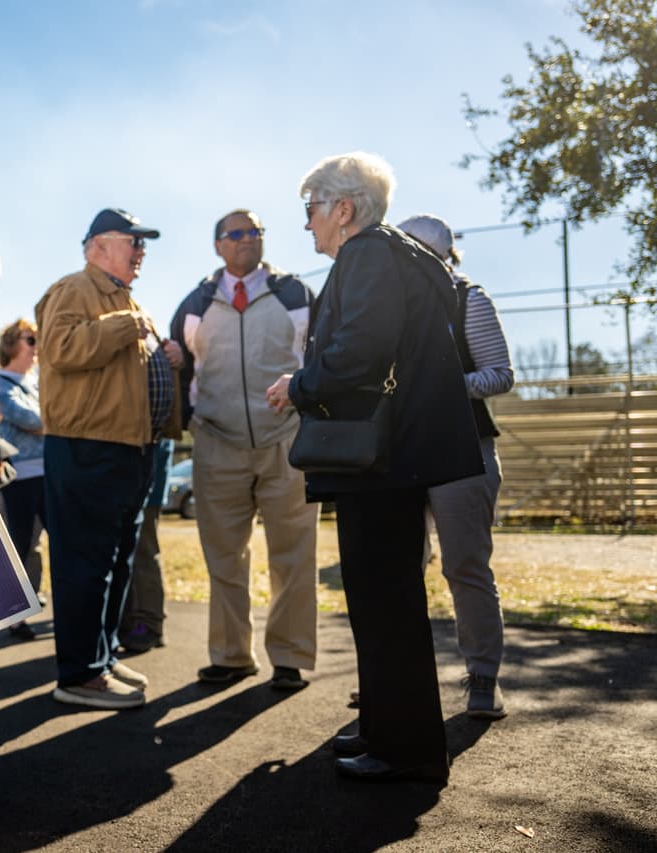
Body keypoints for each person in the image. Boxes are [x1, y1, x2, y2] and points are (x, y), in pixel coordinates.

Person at [265, 152, 483, 784]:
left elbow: (360, 349)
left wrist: (298, 386)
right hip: (392, 457)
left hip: (381, 461)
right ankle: (386, 727)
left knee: (385, 602)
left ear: (344, 209)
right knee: (381, 599)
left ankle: (407, 749)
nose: (307, 223)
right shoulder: (390, 254)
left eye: (311, 209)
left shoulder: (368, 255)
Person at [36, 208, 182, 711]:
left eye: (144, 244)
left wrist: (168, 360)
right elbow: (60, 349)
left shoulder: (125, 298)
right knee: (85, 564)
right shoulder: (74, 288)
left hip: (129, 450)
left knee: (116, 562)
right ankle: (79, 674)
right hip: (87, 448)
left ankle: (101, 655)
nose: (141, 252)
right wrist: (125, 325)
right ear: (98, 245)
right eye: (133, 241)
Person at [172, 209, 318, 691]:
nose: (248, 239)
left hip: (287, 441)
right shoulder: (195, 303)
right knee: (224, 558)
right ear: (218, 245)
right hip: (217, 443)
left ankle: (290, 658)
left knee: (293, 555)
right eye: (236, 233)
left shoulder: (296, 294)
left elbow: (320, 358)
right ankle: (232, 656)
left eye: (255, 231)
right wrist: (189, 420)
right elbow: (180, 368)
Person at [399, 213, 514, 720]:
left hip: (463, 450)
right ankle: (394, 680)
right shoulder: (385, 305)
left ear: (441, 257)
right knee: (398, 569)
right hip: (400, 453)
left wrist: (446, 385)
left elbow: (500, 374)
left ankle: (483, 676)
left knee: (465, 565)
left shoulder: (469, 298)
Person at [0, 318, 45, 639]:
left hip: (46, 474)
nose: (37, 347)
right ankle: (14, 615)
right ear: (12, 344)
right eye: (31, 340)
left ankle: (32, 600)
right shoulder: (0, 383)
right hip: (20, 479)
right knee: (20, 544)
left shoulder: (37, 383)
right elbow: (32, 419)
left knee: (39, 545)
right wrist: (60, 420)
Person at [118, 437, 173, 653]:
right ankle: (132, 620)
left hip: (146, 478)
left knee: (144, 551)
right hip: (131, 477)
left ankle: (149, 623)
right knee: (129, 551)